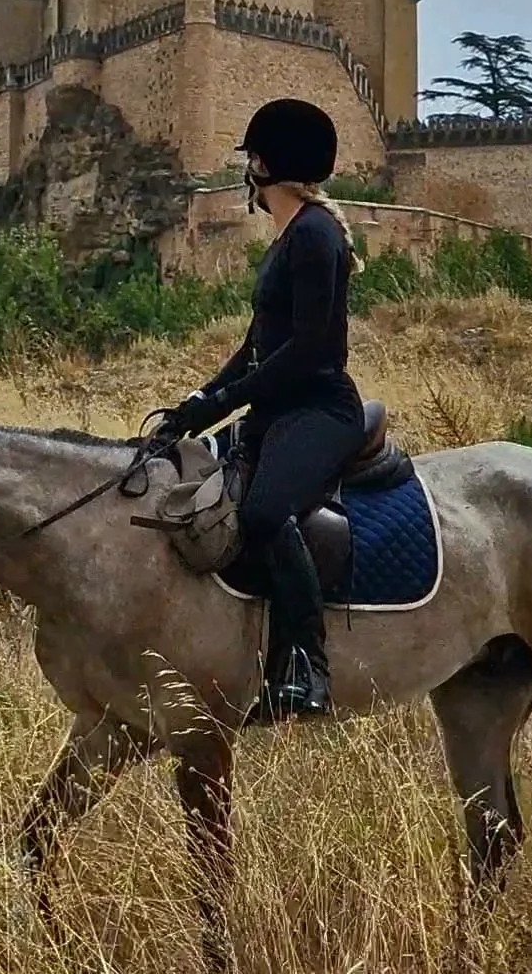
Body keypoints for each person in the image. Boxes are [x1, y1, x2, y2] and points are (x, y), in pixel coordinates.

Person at [157, 98, 365, 719]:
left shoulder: (315, 236)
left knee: (266, 511)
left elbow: (306, 352)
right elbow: (256, 348)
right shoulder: (287, 240)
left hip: (320, 410)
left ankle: (307, 665)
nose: (246, 167)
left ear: (266, 165)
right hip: (278, 410)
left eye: (251, 156)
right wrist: (197, 405)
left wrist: (227, 401)